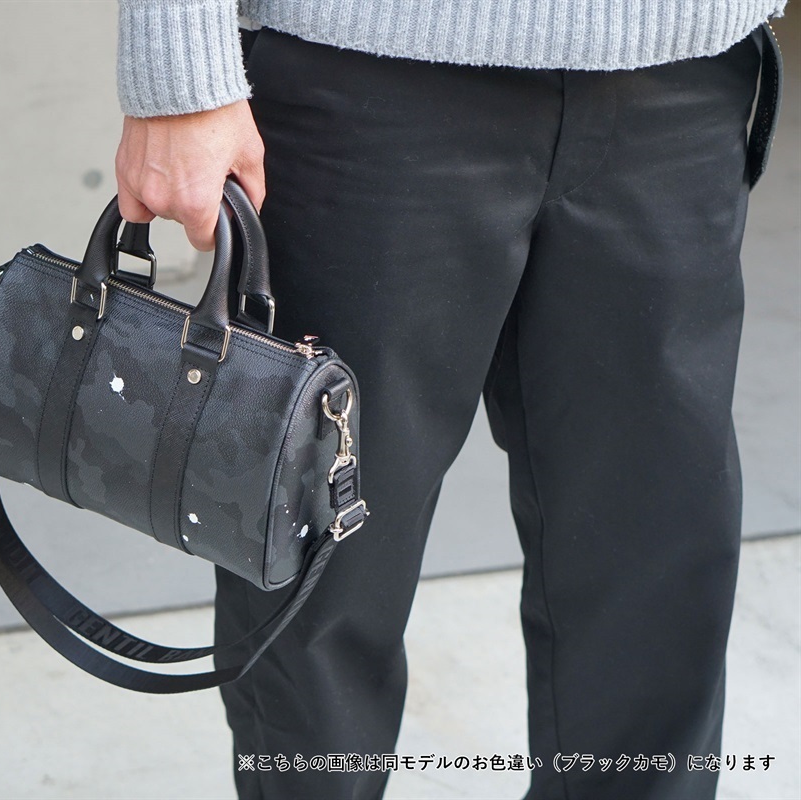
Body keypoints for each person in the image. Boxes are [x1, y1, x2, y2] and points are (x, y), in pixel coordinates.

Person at [113, 2, 785, 798]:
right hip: (366, 71)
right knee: (318, 570)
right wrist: (179, 78)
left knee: (656, 576)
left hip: (680, 70)